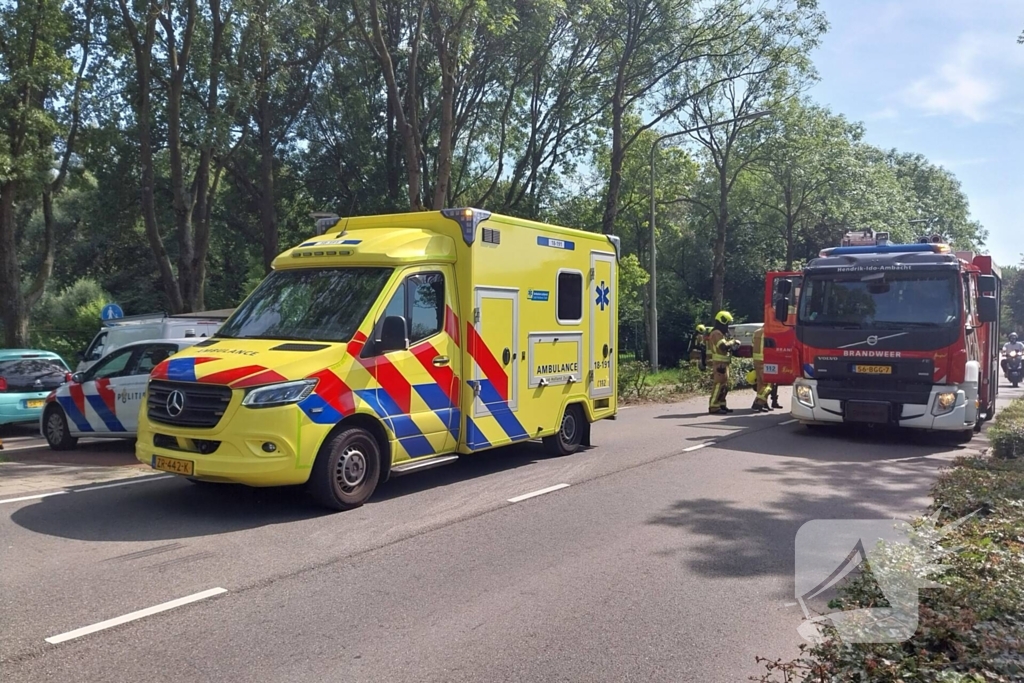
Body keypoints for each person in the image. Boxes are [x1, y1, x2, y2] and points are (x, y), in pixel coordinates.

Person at [708, 310, 741, 414]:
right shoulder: (716, 333)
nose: (728, 326)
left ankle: (721, 405)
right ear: (722, 321)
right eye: (727, 323)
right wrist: (733, 342)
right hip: (719, 363)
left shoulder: (721, 333)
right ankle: (713, 406)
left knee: (724, 386)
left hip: (724, 363)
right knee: (718, 385)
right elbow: (723, 346)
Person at [750, 326, 773, 412]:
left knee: (760, 383)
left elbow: (752, 346)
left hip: (756, 360)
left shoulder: (756, 332)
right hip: (765, 360)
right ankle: (758, 403)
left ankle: (764, 404)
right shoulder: (770, 332)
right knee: (768, 384)